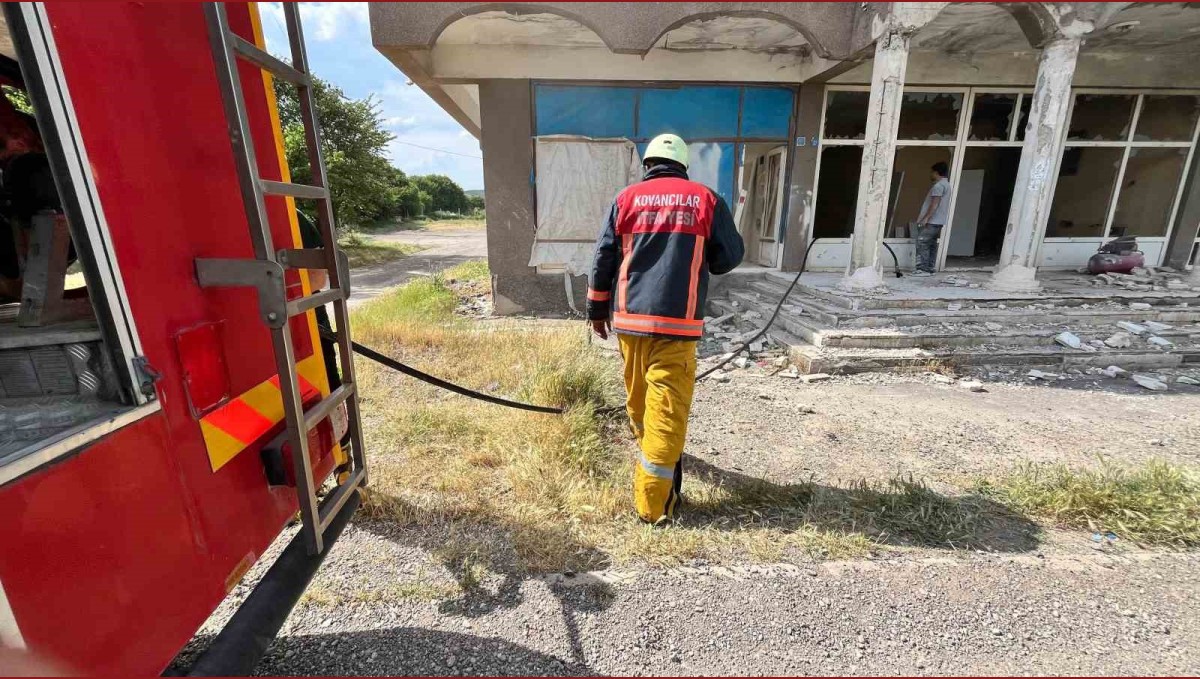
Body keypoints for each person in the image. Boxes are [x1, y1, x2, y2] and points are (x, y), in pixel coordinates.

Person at [587, 133, 744, 524]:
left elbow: (603, 256)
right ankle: (654, 506)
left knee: (640, 404)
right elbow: (729, 258)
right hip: (677, 324)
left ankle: (656, 479)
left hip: (628, 323)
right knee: (666, 411)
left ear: (648, 165)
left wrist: (595, 310)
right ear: (683, 166)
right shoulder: (706, 200)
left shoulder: (626, 200)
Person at [912, 161, 951, 277]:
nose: (931, 174)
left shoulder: (938, 186)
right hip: (939, 221)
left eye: (932, 172)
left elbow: (934, 204)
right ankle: (929, 268)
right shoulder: (947, 185)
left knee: (922, 242)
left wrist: (926, 218)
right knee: (932, 244)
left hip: (932, 221)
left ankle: (922, 269)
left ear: (936, 172)